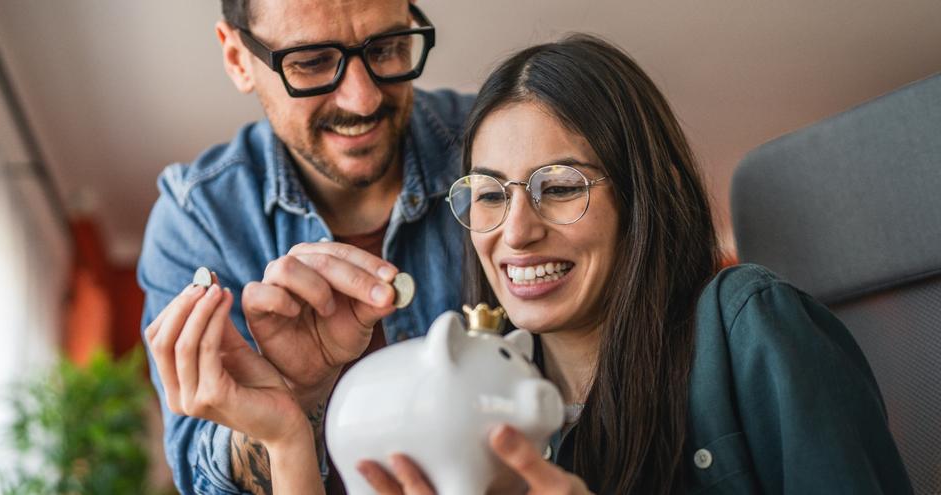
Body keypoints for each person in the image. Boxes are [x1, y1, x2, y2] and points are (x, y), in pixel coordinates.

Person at [351, 34, 915, 494]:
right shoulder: (477, 405)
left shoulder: (749, 326)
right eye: (491, 195)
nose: (516, 233)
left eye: (562, 187)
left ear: (640, 200)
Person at [138, 0, 472, 493]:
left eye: (387, 48)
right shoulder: (198, 218)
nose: (362, 99)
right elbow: (201, 473)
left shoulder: (499, 145)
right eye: (312, 62)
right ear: (237, 58)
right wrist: (295, 396)